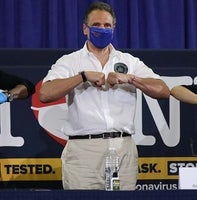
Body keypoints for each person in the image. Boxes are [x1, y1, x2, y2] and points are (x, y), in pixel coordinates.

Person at [39, 1, 170, 190]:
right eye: (97, 25)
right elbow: (45, 93)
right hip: (84, 151)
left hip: (122, 148)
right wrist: (82, 77)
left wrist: (130, 79)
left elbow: (163, 90)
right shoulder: (70, 61)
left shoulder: (129, 62)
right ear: (85, 29)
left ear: (114, 29)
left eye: (107, 25)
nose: (102, 29)